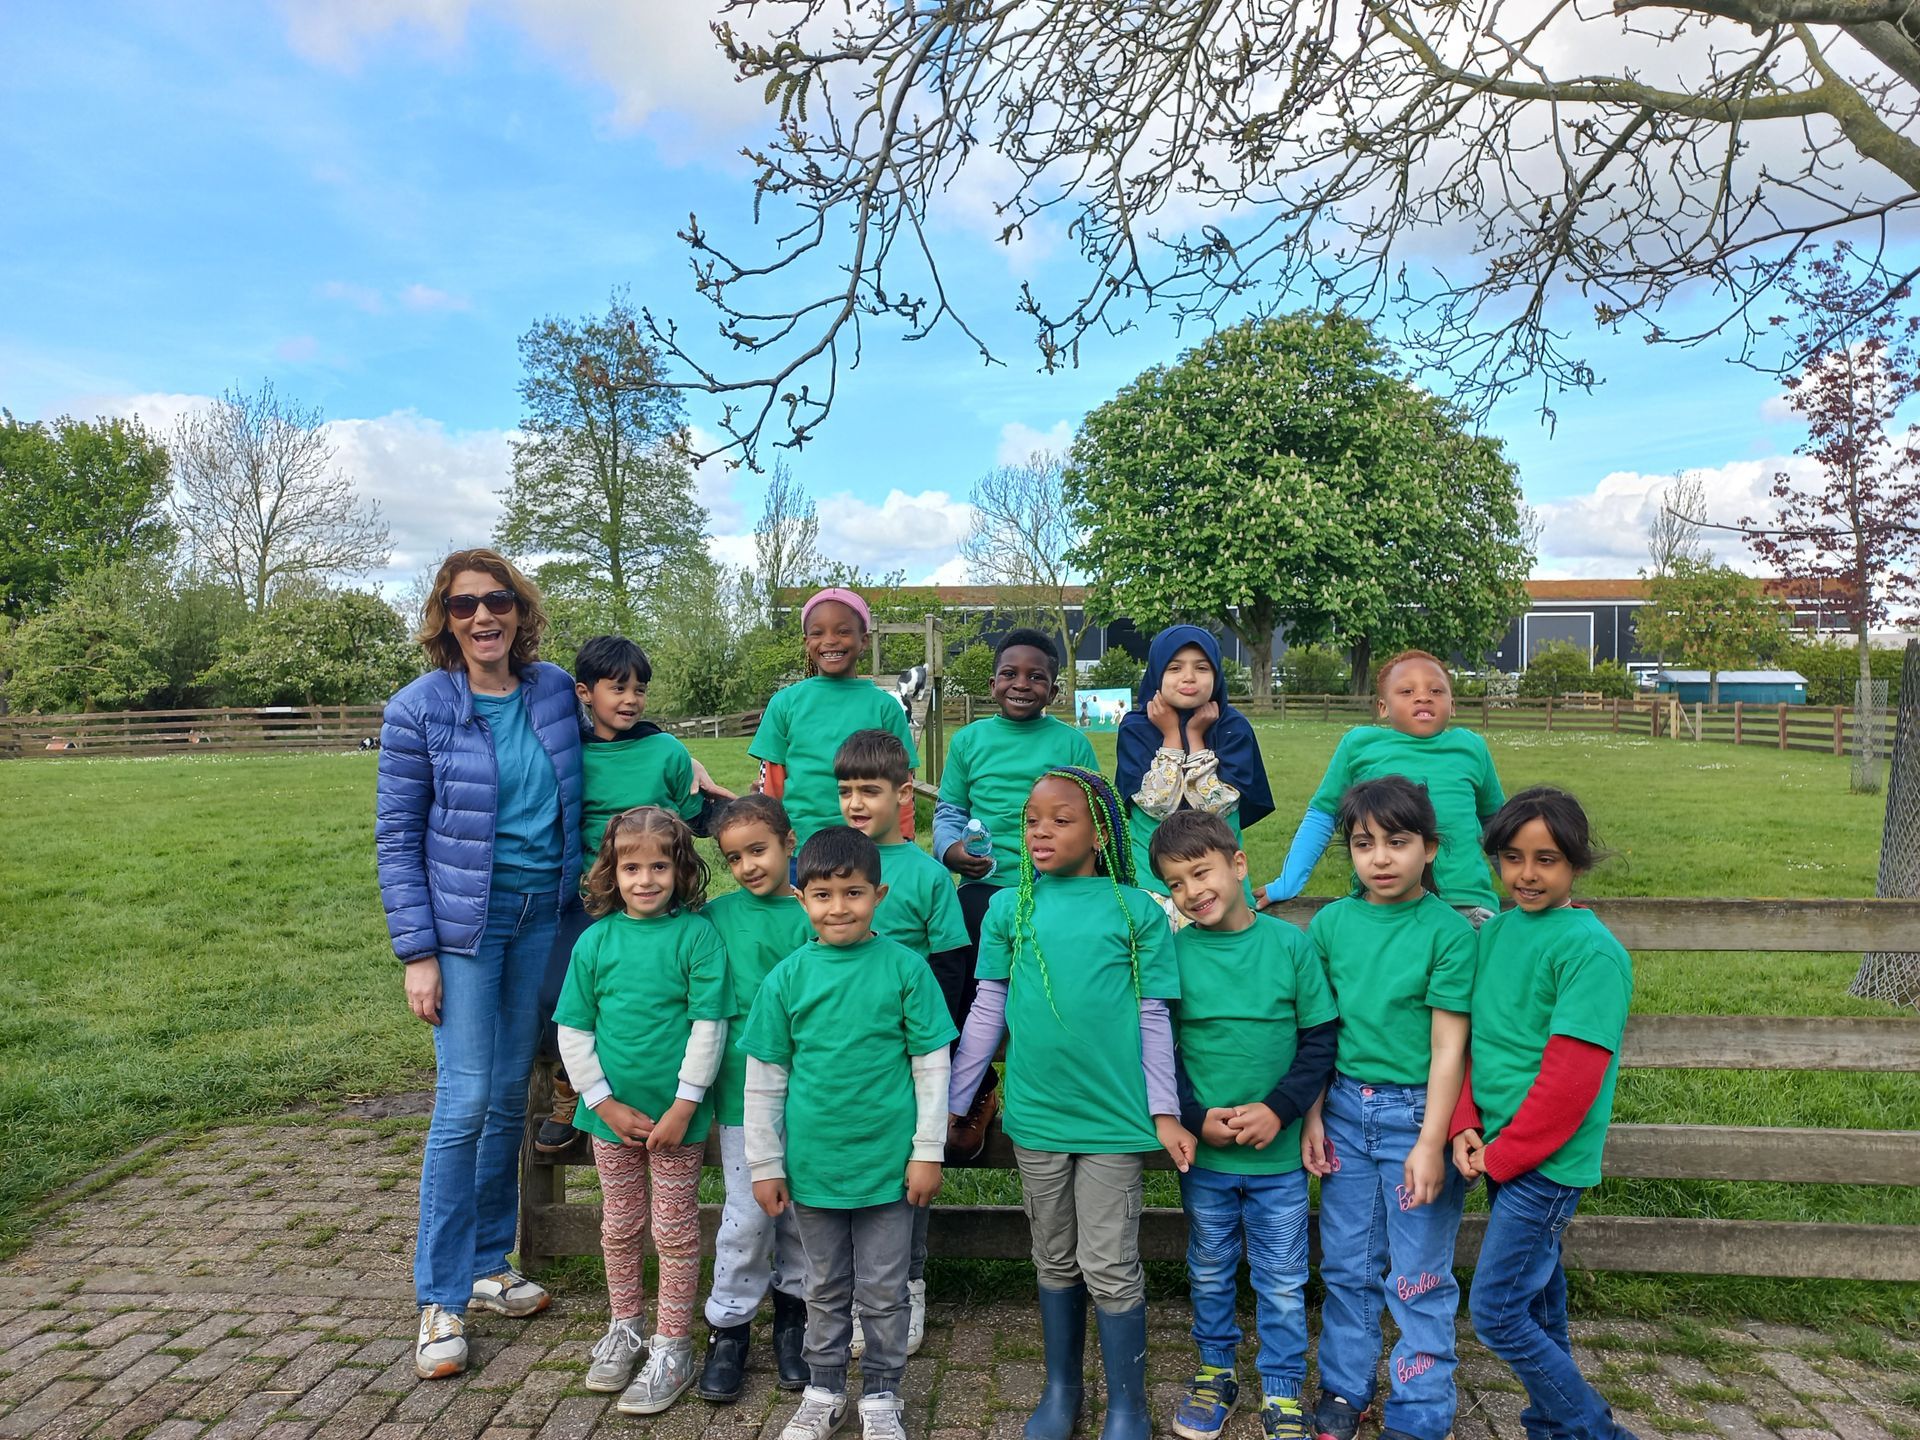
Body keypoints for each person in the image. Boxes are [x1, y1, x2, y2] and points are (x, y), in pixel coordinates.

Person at [375, 547, 583, 1380]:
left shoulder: (554, 691)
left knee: (504, 1099)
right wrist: (417, 953)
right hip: (466, 928)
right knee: (463, 1101)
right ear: (445, 619)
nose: (483, 616)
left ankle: (489, 1263)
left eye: (498, 600)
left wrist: (689, 773)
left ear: (519, 611)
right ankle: (439, 1298)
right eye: (464, 605)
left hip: (542, 916)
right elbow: (397, 839)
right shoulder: (418, 709)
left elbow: (616, 745)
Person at [948, 766, 1196, 1440]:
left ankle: (1128, 1406)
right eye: (1032, 820)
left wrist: (1164, 1112)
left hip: (1115, 1120)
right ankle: (1062, 1390)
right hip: (1038, 1118)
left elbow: (1154, 1018)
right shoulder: (1009, 908)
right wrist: (954, 1098)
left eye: (1061, 820)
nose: (1041, 831)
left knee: (1110, 1266)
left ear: (1100, 834)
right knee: (1054, 1258)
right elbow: (987, 1008)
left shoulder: (1137, 911)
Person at [742, 826, 957, 1440]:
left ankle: (883, 1395)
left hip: (889, 1170)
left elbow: (931, 1068)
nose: (838, 908)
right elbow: (765, 1081)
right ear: (800, 898)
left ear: (878, 895)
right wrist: (764, 1163)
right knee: (824, 1287)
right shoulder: (787, 978)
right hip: (814, 1170)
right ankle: (824, 1390)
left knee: (886, 1291)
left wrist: (927, 1152)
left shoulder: (906, 970)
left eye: (853, 893)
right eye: (822, 895)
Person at [1450, 787, 1639, 1440]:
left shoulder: (1591, 952)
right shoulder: (1496, 934)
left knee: (1497, 1313)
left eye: (1546, 859)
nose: (1526, 874)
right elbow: (1475, 1042)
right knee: (1540, 1309)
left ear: (1577, 863)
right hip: (1502, 1150)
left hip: (1546, 1164)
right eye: (1513, 858)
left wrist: (1504, 1155)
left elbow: (1571, 1082)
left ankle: (1597, 1431)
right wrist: (1465, 1121)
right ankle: (1553, 1429)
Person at [1148, 811, 1339, 1440]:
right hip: (1206, 1159)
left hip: (1278, 1161)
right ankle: (1215, 1372)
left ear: (1238, 864)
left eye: (1201, 873)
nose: (1191, 892)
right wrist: (1193, 1117)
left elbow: (1319, 1041)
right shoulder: (1173, 955)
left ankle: (1283, 1388)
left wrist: (1280, 1109)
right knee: (1209, 1269)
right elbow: (1160, 1049)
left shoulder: (1289, 946)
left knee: (1282, 1279)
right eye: (1175, 884)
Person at [1303, 777, 1476, 1440]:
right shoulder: (1331, 925)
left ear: (1429, 848)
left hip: (1417, 1117)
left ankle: (1420, 1408)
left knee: (1419, 1273)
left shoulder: (1449, 933)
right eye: (1363, 843)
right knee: (1347, 1265)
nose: (1379, 858)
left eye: (1397, 842)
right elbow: (1318, 1032)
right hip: (1345, 1112)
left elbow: (1448, 1047)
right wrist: (1313, 1116)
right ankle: (1346, 1388)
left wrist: (1431, 1142)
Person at [556, 807, 734, 1416]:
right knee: (620, 1223)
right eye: (631, 868)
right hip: (610, 1118)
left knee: (675, 1228)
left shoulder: (697, 937)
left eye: (660, 866)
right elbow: (574, 1030)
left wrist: (685, 1105)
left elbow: (709, 1024)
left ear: (681, 870)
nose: (646, 879)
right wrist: (602, 1102)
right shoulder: (595, 941)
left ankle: (673, 1344)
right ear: (612, 873)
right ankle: (626, 1326)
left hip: (674, 1121)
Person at [536, 634, 710, 1156]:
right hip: (592, 900)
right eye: (618, 688)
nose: (631, 699)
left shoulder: (667, 751)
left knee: (665, 997)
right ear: (585, 693)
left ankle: (678, 1090)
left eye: (640, 689)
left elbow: (694, 816)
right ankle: (572, 1088)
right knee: (556, 995)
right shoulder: (569, 755)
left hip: (662, 897)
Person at [835, 728, 970, 1357]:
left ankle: (906, 1286)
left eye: (870, 790)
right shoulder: (832, 863)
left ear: (903, 793)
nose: (856, 803)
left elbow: (951, 968)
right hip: (843, 1054)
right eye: (846, 791)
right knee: (851, 1167)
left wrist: (926, 1047)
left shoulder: (928, 876)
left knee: (907, 1174)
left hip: (906, 1055)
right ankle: (856, 1290)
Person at [934, 629, 1096, 1153]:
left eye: (1036, 677)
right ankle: (974, 1090)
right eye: (1009, 674)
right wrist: (950, 851)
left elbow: (1091, 814)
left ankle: (1064, 1089)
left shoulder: (1071, 744)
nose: (1021, 684)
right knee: (954, 964)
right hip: (985, 886)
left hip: (1054, 885)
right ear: (992, 683)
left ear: (1054, 690)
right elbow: (950, 811)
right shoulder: (969, 741)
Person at [697, 795, 816, 1402]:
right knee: (747, 1217)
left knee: (802, 1215)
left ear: (789, 843)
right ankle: (729, 1327)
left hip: (812, 1094)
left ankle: (796, 1320)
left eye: (758, 851)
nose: (747, 866)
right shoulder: (714, 918)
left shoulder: (813, 914)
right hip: (742, 1095)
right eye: (734, 857)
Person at [1261, 650, 1504, 921]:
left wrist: (1524, 884)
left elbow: (1498, 825)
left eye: (1436, 691)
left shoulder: (1471, 747)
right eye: (1407, 691)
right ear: (1383, 707)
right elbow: (1323, 815)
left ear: (1453, 705)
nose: (1423, 697)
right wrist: (1289, 881)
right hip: (1382, 903)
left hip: (1464, 904)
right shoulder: (1359, 745)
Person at [1117, 627, 1274, 905]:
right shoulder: (1136, 729)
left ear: (1216, 674)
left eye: (1202, 667)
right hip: (1151, 883)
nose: (1189, 677)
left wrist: (1195, 738)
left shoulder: (1233, 728)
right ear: (1156, 673)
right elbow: (1157, 804)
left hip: (1220, 883)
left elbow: (1214, 808)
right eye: (1174, 668)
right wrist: (1171, 737)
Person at [751, 587, 919, 847]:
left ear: (864, 640)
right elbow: (770, 784)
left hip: (870, 847)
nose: (830, 641)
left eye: (843, 631)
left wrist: (904, 841)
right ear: (806, 642)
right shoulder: (784, 704)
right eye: (818, 633)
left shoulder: (886, 707)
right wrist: (771, 842)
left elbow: (903, 780)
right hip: (802, 848)